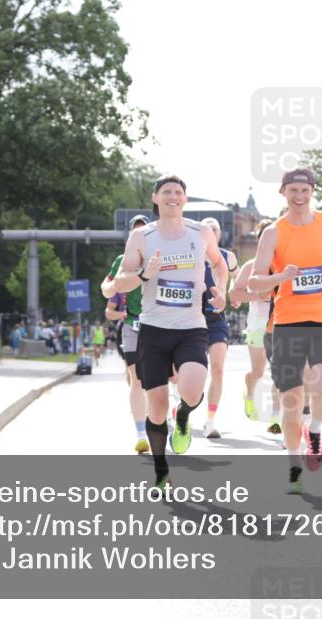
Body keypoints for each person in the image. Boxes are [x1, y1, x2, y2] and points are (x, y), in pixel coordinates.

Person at [249, 168, 322, 493]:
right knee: (291, 401)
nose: (299, 196)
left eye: (305, 190)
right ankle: (294, 466)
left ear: (312, 191)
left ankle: (316, 430)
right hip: (287, 324)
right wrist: (279, 278)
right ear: (283, 192)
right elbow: (255, 282)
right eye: (293, 190)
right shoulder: (273, 232)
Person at [114, 176, 228, 489]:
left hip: (191, 327)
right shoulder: (141, 237)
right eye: (166, 193)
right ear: (155, 198)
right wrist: (143, 273)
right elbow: (120, 281)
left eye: (178, 193)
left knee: (192, 390)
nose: (173, 197)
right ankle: (161, 468)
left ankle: (184, 415)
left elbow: (219, 264)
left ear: (185, 200)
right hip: (152, 330)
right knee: (157, 405)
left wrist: (221, 291)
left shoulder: (200, 232)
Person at [104, 215, 152, 455]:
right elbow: (107, 287)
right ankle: (141, 433)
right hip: (133, 323)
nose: (138, 235)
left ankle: (168, 415)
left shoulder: (159, 257)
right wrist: (109, 289)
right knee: (136, 379)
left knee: (164, 379)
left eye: (143, 232)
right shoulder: (121, 261)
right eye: (135, 232)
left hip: (159, 324)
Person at [230, 219, 282, 435]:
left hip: (281, 322)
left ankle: (276, 416)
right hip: (258, 325)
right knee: (259, 371)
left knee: (279, 371)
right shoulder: (251, 266)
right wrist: (257, 295)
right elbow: (234, 294)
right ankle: (249, 392)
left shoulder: (284, 265)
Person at [199, 217, 239, 438]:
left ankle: (210, 420)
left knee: (218, 368)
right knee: (189, 372)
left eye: (215, 228)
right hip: (191, 320)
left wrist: (232, 294)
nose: (211, 231)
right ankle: (178, 408)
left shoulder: (227, 256)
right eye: (207, 228)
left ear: (220, 234)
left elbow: (238, 275)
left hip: (216, 318)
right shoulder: (191, 253)